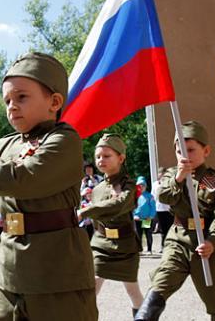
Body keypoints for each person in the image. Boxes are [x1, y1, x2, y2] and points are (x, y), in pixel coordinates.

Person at [0, 52, 97, 320]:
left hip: (57, 275)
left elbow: (23, 179)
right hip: (13, 272)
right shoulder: (1, 146)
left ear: (54, 101)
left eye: (22, 97)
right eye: (8, 100)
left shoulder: (64, 140)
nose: (12, 106)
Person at [135, 121, 215, 321]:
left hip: (206, 244)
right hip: (179, 240)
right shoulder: (172, 175)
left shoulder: (214, 179)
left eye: (191, 150)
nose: (184, 156)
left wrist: (212, 242)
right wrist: (178, 179)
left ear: (206, 151)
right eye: (180, 151)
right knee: (161, 283)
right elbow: (163, 196)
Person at [77, 134, 144, 317]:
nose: (101, 160)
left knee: (133, 291)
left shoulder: (128, 184)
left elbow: (119, 205)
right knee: (92, 288)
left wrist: (86, 211)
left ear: (121, 158)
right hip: (101, 245)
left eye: (107, 156)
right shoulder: (97, 189)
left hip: (125, 246)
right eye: (98, 156)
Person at [133, 176, 156, 255]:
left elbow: (153, 207)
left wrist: (151, 216)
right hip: (137, 219)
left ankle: (149, 249)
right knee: (138, 235)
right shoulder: (135, 196)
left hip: (147, 219)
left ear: (146, 186)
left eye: (143, 185)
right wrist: (134, 215)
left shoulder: (149, 196)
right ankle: (139, 249)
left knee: (148, 234)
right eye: (139, 185)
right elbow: (132, 207)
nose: (141, 187)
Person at [152, 167, 173, 252]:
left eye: (163, 174)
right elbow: (153, 196)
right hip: (159, 209)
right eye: (160, 174)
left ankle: (170, 245)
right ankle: (163, 246)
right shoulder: (155, 184)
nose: (161, 176)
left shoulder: (169, 183)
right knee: (162, 229)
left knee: (170, 228)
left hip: (169, 209)